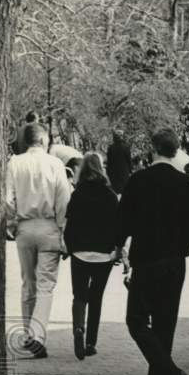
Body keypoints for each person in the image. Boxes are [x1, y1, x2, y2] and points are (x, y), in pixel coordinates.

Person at [117, 128, 189, 375]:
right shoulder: (187, 184)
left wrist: (121, 246)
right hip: (174, 261)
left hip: (146, 258)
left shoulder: (138, 180)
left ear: (153, 149)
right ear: (176, 151)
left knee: (137, 320)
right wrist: (183, 248)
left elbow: (124, 218)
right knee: (165, 324)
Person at [6, 123, 72, 358]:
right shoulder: (55, 164)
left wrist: (12, 224)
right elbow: (63, 201)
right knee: (45, 285)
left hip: (24, 227)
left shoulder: (14, 163)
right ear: (44, 141)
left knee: (28, 283)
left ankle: (27, 334)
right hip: (49, 226)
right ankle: (37, 334)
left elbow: (8, 200)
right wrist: (64, 231)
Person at [63, 153, 120, 360]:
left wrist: (68, 248)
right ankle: (91, 342)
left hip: (80, 252)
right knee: (96, 298)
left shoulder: (77, 194)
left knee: (79, 295)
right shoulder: (110, 195)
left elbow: (69, 225)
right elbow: (117, 226)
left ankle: (79, 327)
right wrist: (117, 250)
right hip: (103, 254)